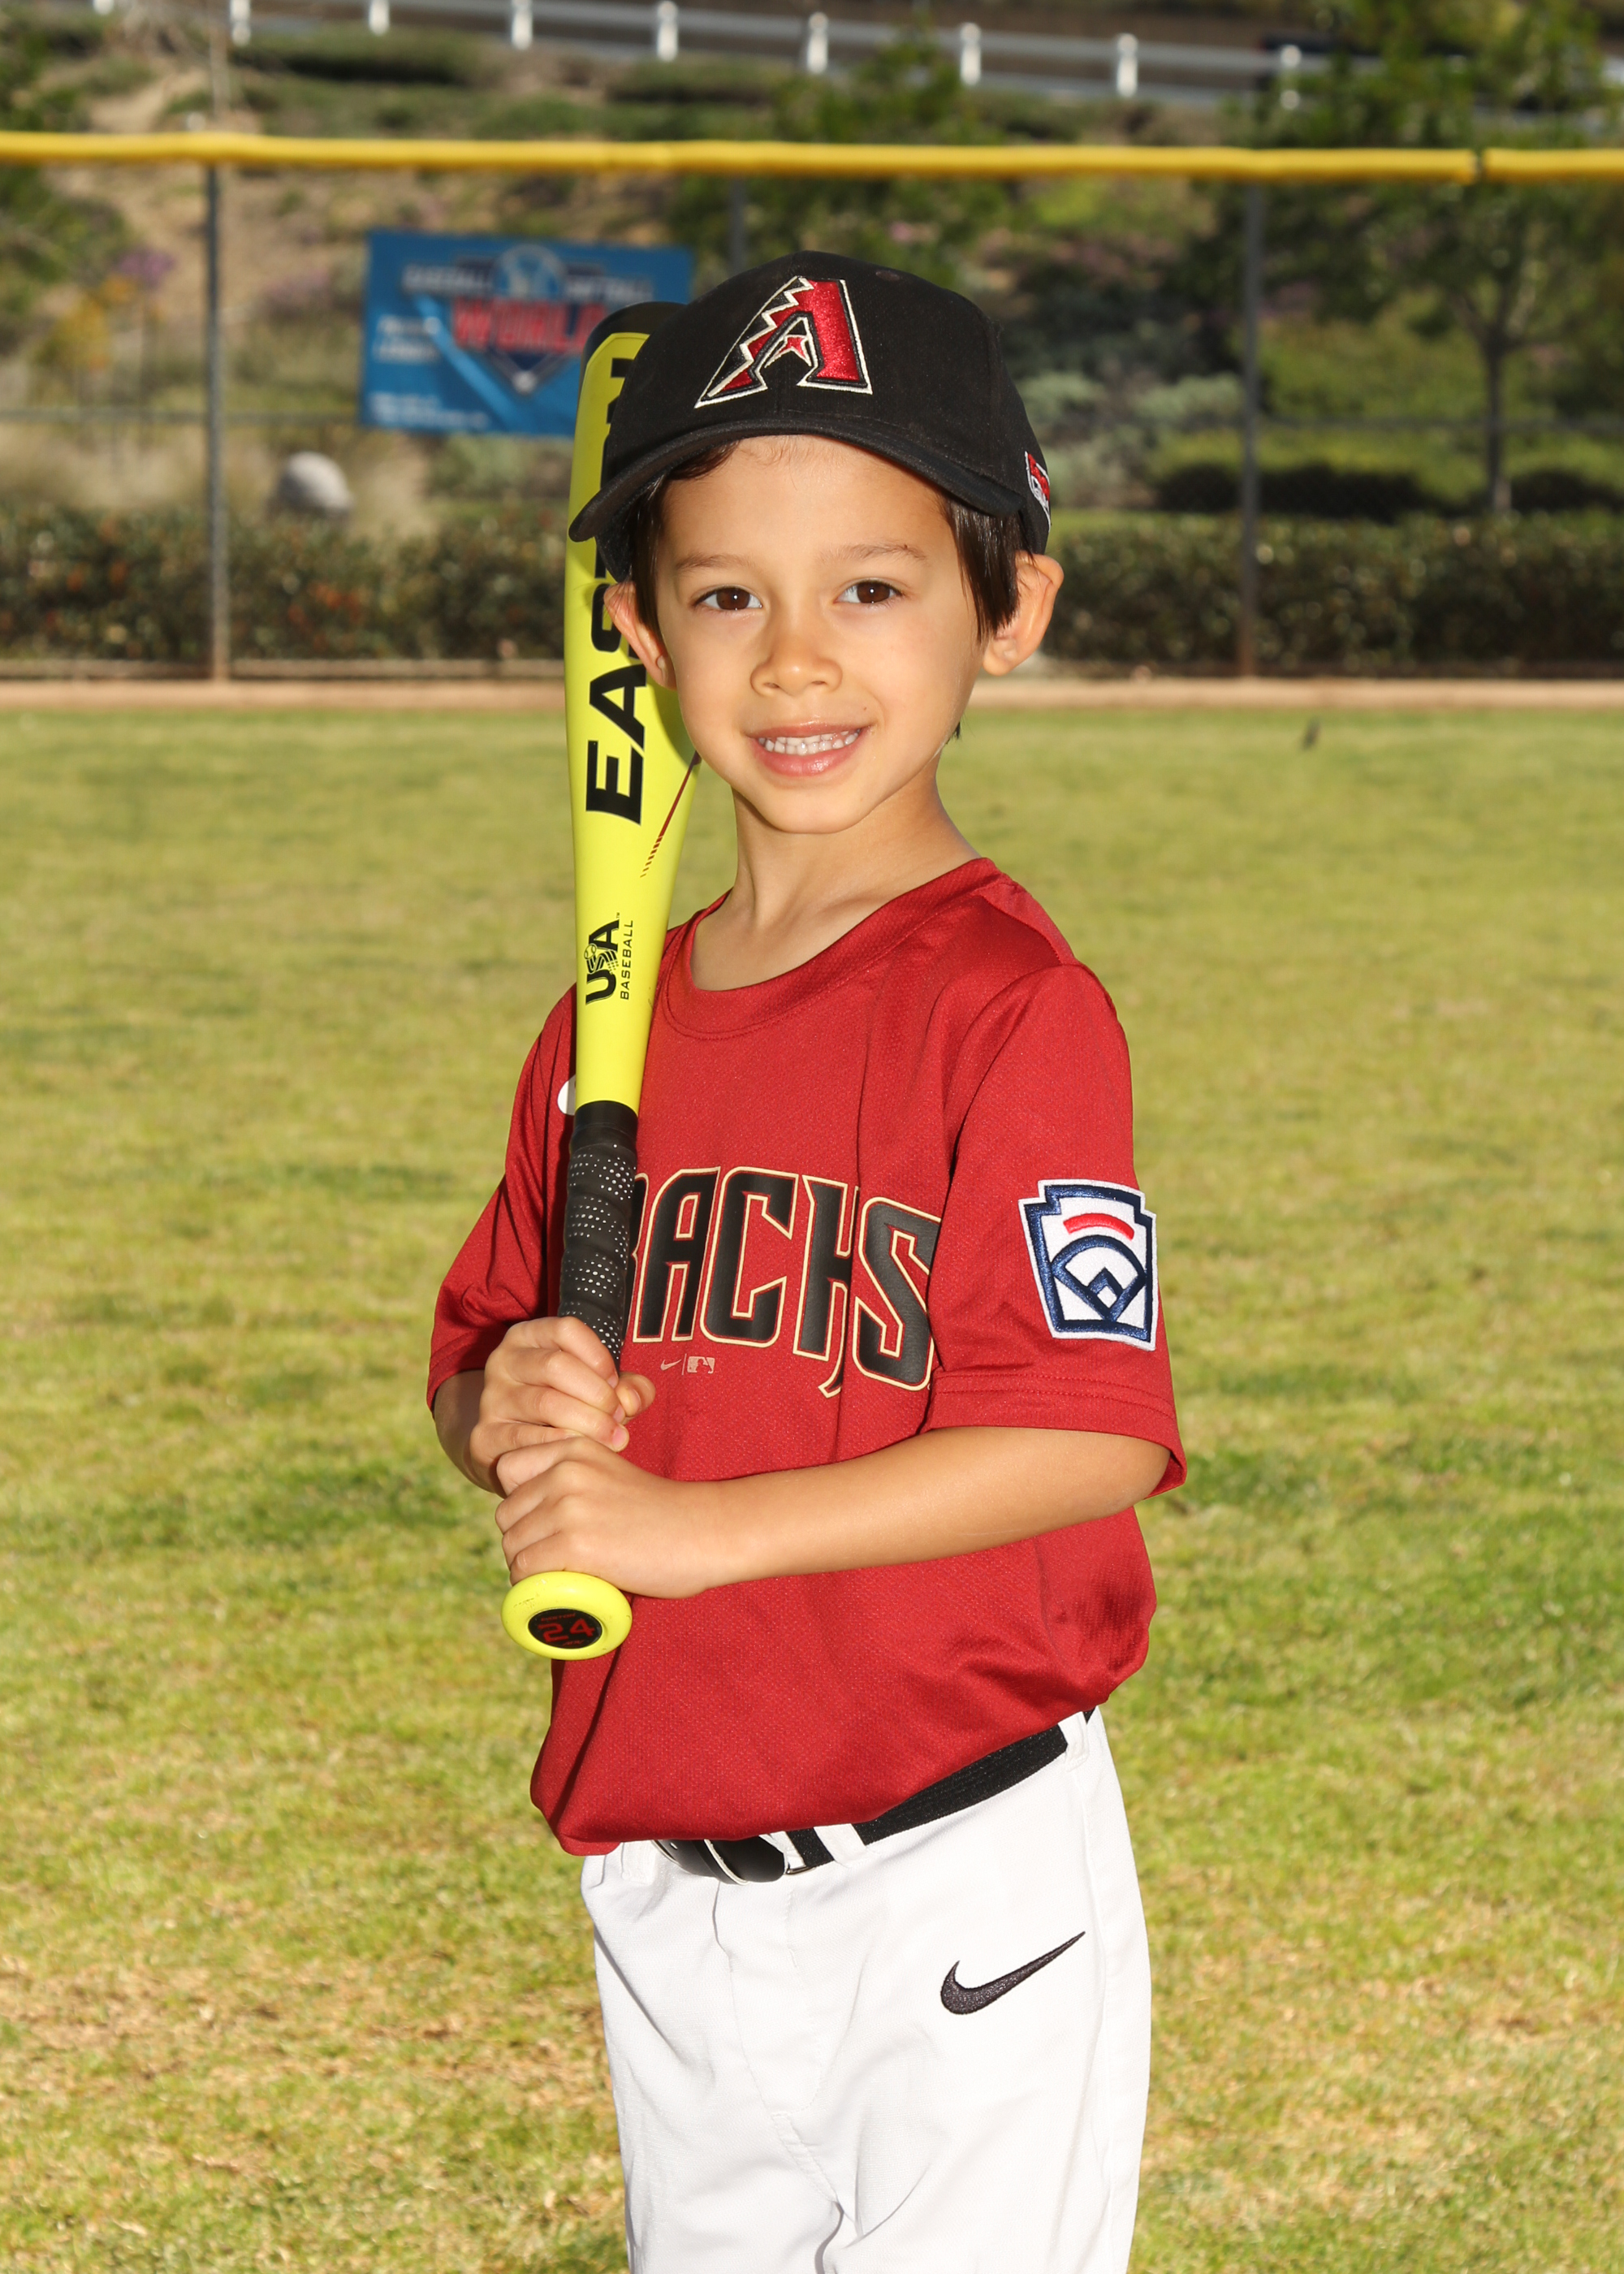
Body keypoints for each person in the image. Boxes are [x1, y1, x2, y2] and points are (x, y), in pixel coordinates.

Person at [429, 252, 1184, 2274]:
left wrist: (695, 1532)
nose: (792, 662)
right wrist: (504, 1404)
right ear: (633, 634)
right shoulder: (604, 1031)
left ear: (1008, 609)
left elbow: (1089, 1433)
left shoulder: (1011, 1008)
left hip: (962, 1885)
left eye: (868, 587)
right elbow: (485, 1357)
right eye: (723, 597)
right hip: (669, 1890)